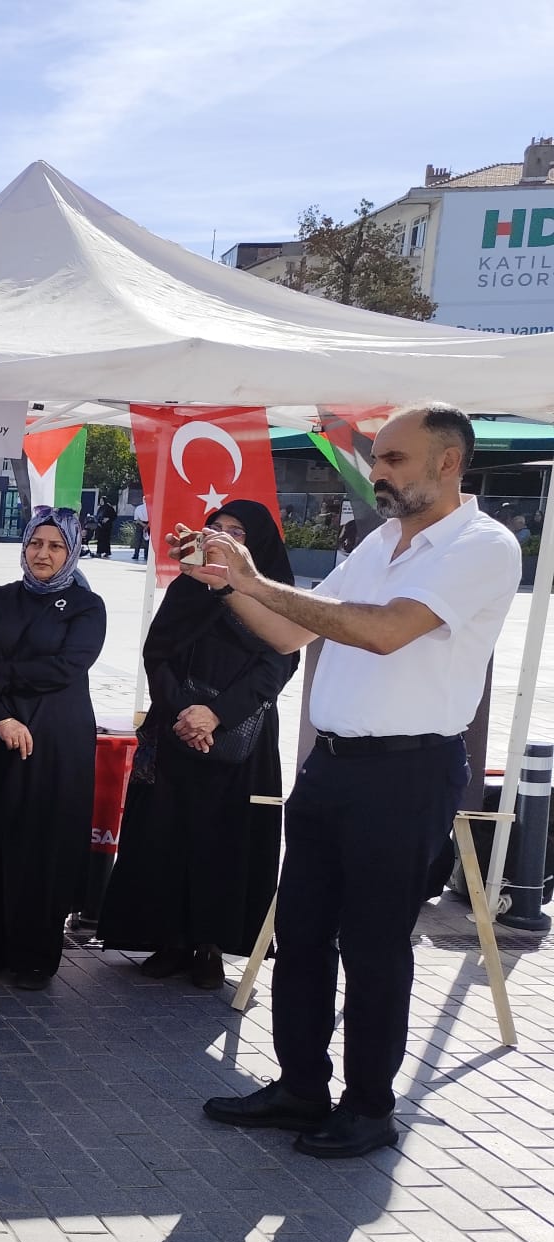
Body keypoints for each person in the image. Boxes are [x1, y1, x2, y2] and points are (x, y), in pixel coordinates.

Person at [197, 405, 520, 1158]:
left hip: (409, 774)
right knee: (302, 936)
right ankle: (300, 1086)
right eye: (378, 459)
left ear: (448, 463)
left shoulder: (483, 545)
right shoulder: (380, 540)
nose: (378, 472)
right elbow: (290, 631)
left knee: (373, 946)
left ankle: (370, 1108)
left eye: (396, 460)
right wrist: (227, 584)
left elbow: (380, 631)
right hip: (333, 768)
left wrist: (258, 581)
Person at [99, 501, 298, 989]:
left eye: (238, 533)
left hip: (240, 736)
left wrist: (216, 715)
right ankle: (168, 939)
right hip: (175, 730)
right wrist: (183, 711)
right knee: (168, 834)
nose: (225, 540)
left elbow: (279, 663)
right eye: (218, 530)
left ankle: (211, 945)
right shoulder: (189, 586)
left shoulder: (275, 594)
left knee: (224, 841)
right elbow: (158, 649)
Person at [0, 507, 105, 991]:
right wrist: (0, 715)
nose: (43, 554)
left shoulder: (87, 606)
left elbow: (68, 666)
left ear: (72, 550)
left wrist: (0, 673)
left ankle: (36, 956)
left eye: (55, 546)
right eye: (35, 544)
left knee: (45, 843)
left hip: (59, 742)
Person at [131, 496, 150, 562]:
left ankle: (136, 554)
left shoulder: (138, 508)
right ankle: (146, 555)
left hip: (141, 524)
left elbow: (136, 519)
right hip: (148, 525)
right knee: (146, 540)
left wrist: (143, 525)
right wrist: (146, 526)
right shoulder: (151, 507)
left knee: (138, 540)